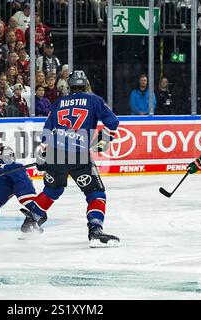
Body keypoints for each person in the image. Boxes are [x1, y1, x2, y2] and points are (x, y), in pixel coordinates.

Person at [24, 70, 120, 248]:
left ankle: (31, 221)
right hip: (79, 155)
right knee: (95, 193)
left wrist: (41, 154)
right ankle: (95, 229)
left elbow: (47, 132)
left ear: (69, 86)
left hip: (55, 153)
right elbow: (113, 122)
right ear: (86, 84)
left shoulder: (58, 102)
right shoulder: (94, 100)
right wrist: (103, 141)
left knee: (52, 190)